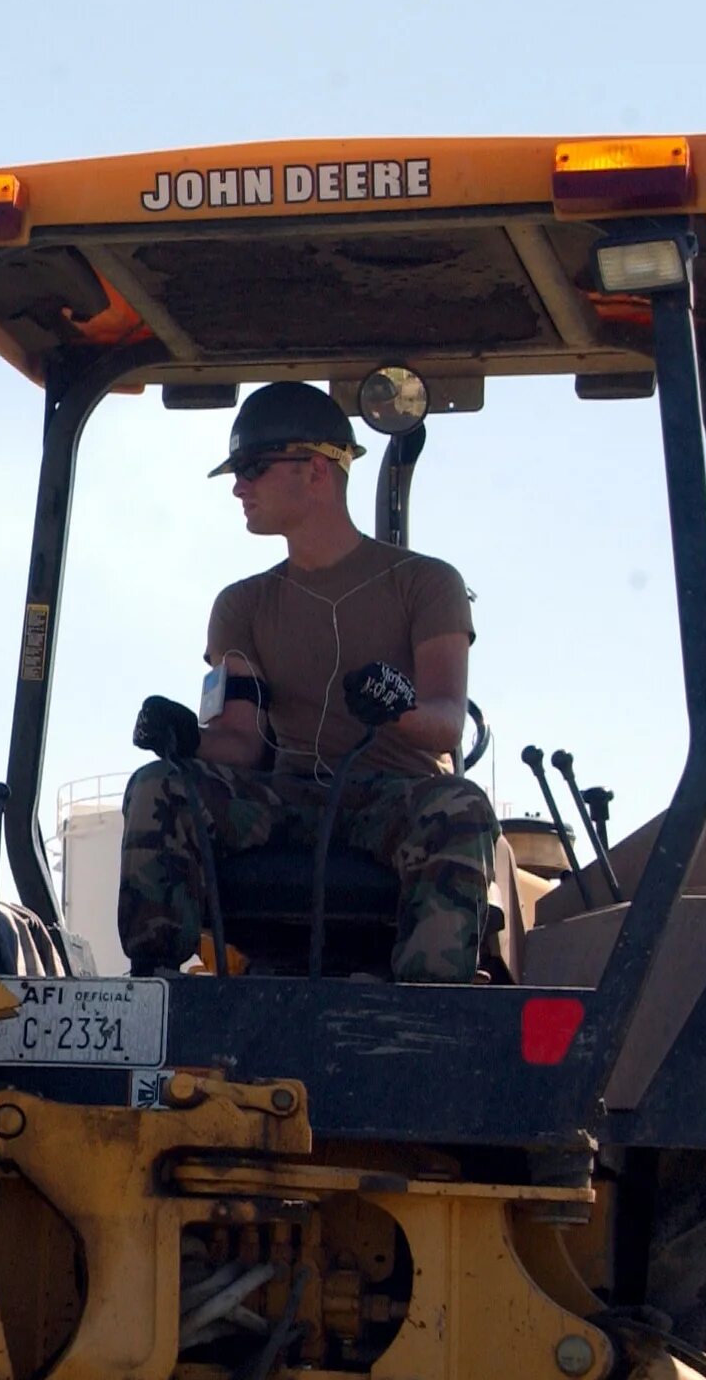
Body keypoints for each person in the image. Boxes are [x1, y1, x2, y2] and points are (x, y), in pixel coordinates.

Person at [118, 382, 498, 981]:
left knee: (461, 807)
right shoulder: (241, 604)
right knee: (159, 786)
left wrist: (397, 707)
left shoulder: (426, 583)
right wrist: (186, 740)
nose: (239, 487)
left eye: (253, 468)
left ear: (317, 469)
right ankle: (159, 987)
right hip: (288, 799)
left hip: (394, 795)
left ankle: (430, 1006)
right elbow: (241, 744)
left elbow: (446, 722)